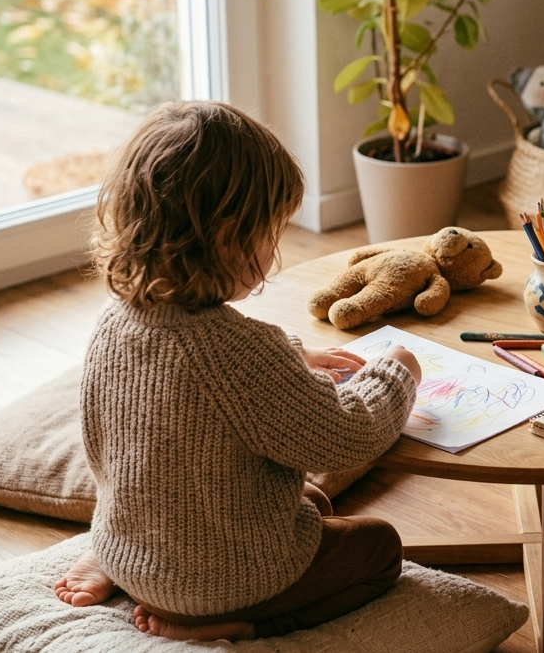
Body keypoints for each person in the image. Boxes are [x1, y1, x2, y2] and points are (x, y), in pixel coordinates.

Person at [52, 101, 421, 641]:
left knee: (311, 502)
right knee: (380, 548)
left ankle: (114, 566)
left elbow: (190, 393)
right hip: (221, 583)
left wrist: (292, 356)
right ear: (228, 240)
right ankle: (241, 623)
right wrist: (396, 374)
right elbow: (343, 438)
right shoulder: (241, 353)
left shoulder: (114, 324)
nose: (275, 248)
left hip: (133, 547)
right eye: (271, 232)